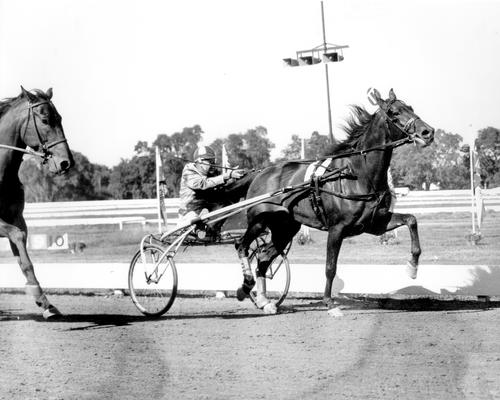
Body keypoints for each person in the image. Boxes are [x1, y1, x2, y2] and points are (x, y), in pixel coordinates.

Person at [178, 145, 246, 221]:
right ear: (200, 161)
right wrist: (226, 176)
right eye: (210, 161)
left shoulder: (212, 172)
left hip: (207, 207)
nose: (213, 164)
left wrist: (233, 177)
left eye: (213, 161)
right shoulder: (189, 172)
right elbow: (203, 184)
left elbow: (222, 185)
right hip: (189, 212)